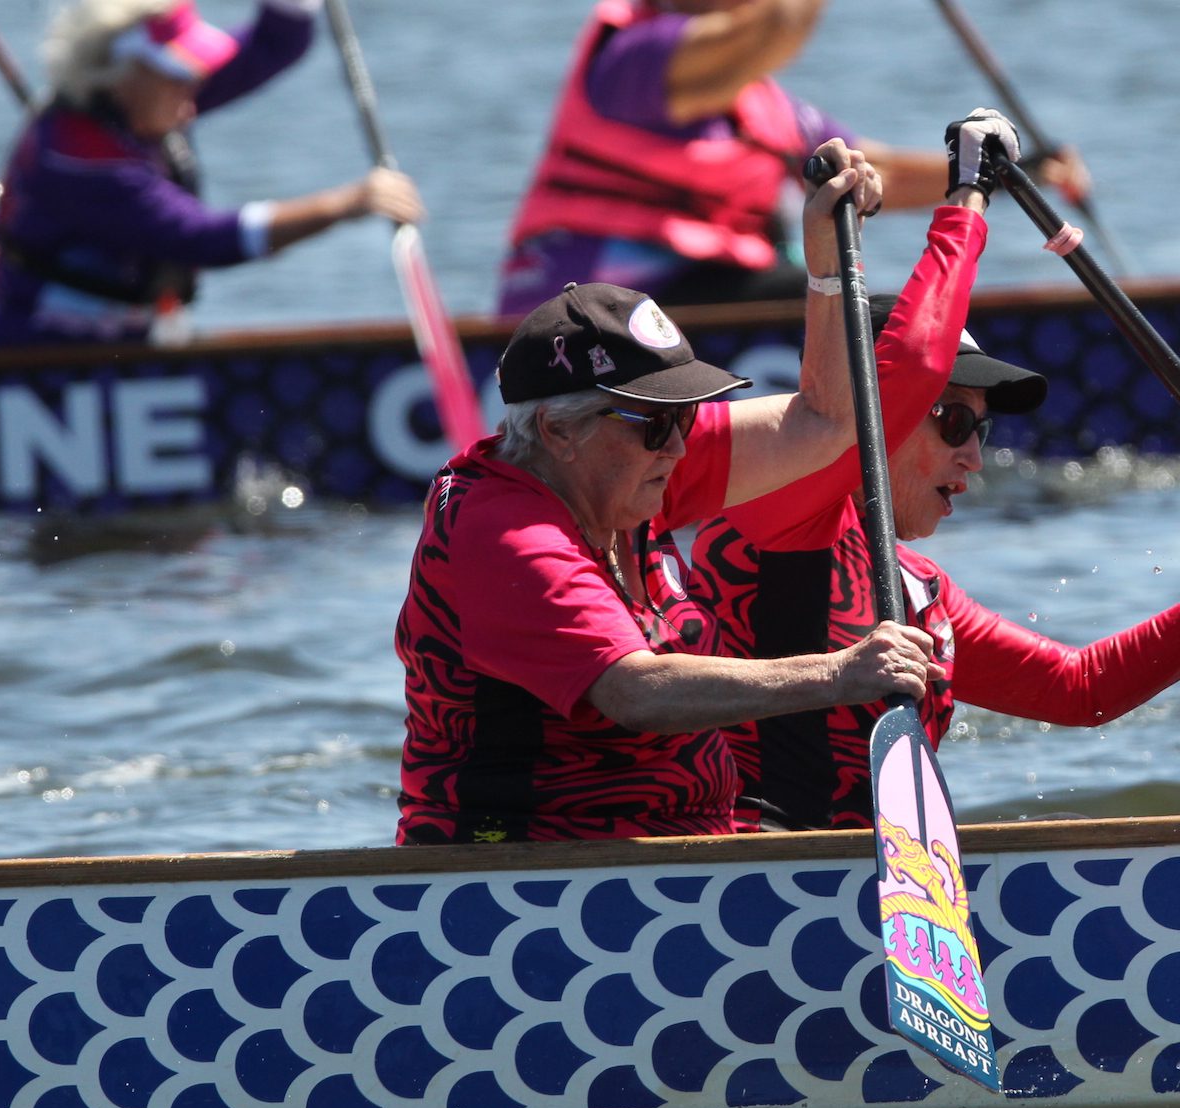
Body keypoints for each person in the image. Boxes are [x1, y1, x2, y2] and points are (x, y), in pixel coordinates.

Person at [393, 127, 1006, 845]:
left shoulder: (624, 474)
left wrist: (826, 259)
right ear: (558, 432)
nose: (679, 445)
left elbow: (824, 423)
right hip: (523, 884)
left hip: (677, 858)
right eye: (654, 425)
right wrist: (839, 673)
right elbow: (636, 690)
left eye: (685, 417)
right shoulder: (504, 532)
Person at [687, 307, 1180, 832]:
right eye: (954, 421)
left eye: (980, 429)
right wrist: (960, 225)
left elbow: (1082, 689)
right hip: (758, 867)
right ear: (878, 414)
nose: (974, 455)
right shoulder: (760, 524)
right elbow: (821, 416)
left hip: (888, 875)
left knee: (1069, 830)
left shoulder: (919, 585)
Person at [495, 0, 1090, 317]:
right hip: (577, 310)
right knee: (837, 301)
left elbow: (878, 169)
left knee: (839, 293)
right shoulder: (633, 58)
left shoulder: (764, 105)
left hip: (702, 297)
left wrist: (1004, 170)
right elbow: (777, 24)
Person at [0, 0, 424, 345]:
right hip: (31, 353)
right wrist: (344, 204)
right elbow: (201, 238)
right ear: (121, 74)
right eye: (178, 73)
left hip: (115, 346)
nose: (194, 86)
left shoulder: (150, 101)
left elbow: (276, 43)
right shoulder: (74, 158)